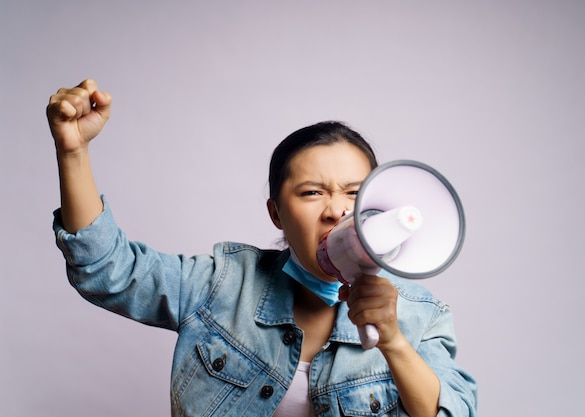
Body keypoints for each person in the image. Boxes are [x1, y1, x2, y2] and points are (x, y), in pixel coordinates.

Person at [47, 79, 477, 417]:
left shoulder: (420, 315)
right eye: (311, 193)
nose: (335, 211)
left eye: (355, 192)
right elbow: (108, 270)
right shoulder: (220, 285)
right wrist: (73, 151)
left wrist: (395, 342)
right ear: (276, 213)